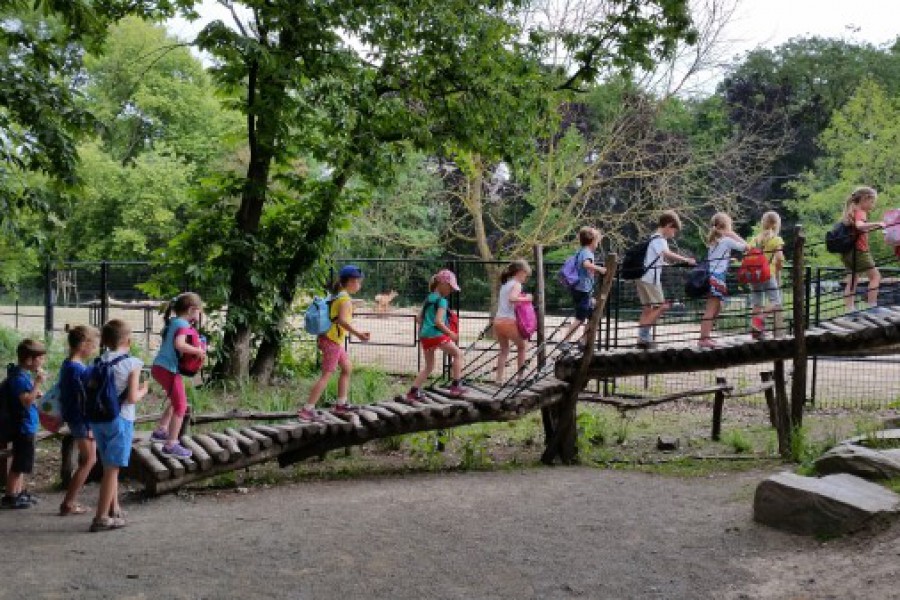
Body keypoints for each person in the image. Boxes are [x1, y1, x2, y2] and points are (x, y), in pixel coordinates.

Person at [89, 319, 147, 532]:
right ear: (128, 340)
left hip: (98, 420)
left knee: (108, 466)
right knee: (112, 470)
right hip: (120, 419)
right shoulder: (133, 363)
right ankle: (101, 517)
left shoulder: (97, 361)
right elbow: (131, 398)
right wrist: (144, 391)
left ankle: (114, 509)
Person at [298, 265, 370, 422]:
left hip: (329, 339)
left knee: (347, 368)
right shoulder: (344, 299)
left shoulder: (337, 296)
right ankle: (307, 410)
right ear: (351, 281)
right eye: (358, 281)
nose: (359, 285)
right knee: (326, 375)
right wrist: (358, 334)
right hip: (332, 341)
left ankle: (341, 404)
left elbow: (336, 317)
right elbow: (342, 321)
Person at [150, 292, 206, 457]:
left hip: (160, 367)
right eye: (198, 311)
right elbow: (179, 344)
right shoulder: (182, 324)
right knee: (181, 405)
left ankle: (161, 430)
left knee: (176, 401)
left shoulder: (174, 322)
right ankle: (171, 445)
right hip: (168, 369)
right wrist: (198, 350)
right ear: (191, 310)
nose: (199, 315)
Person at [636, 210, 696, 349]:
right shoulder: (659, 239)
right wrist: (686, 259)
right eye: (674, 230)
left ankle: (642, 338)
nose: (673, 234)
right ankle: (643, 336)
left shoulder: (652, 238)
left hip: (642, 277)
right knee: (662, 306)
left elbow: (657, 258)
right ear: (668, 225)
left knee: (647, 309)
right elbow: (666, 253)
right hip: (650, 278)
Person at [405, 269, 465, 403]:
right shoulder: (442, 301)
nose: (450, 291)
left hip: (425, 336)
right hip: (436, 335)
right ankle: (456, 386)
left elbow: (419, 318)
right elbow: (438, 322)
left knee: (429, 366)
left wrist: (426, 327)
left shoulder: (428, 298)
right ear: (442, 284)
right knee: (458, 354)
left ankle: (413, 392)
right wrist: (450, 334)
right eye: (450, 287)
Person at [58, 325, 100, 516]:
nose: (94, 349)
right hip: (81, 420)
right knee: (89, 460)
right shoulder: (78, 370)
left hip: (75, 418)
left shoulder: (68, 364)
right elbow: (83, 400)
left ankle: (70, 501)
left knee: (89, 459)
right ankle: (69, 502)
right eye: (93, 345)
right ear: (83, 344)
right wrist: (89, 425)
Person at [0, 339, 46, 509]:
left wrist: (35, 391)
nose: (42, 362)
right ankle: (10, 495)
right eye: (40, 358)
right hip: (22, 426)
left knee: (23, 461)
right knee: (20, 462)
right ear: (29, 359)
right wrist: (38, 383)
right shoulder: (19, 378)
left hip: (26, 424)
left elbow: (27, 396)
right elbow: (26, 401)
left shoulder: (21, 375)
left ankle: (18, 492)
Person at [698, 213, 747, 348]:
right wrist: (732, 234)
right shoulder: (726, 240)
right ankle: (703, 339)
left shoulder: (714, 241)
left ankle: (706, 335)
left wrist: (727, 259)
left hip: (712, 276)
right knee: (711, 308)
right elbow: (746, 247)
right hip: (717, 278)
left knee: (717, 307)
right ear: (726, 226)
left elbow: (717, 257)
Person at [560, 227, 607, 348]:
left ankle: (584, 340)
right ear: (592, 241)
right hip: (583, 289)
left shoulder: (581, 251)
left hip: (580, 288)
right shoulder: (587, 252)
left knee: (592, 315)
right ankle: (565, 341)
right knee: (580, 317)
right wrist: (600, 269)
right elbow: (586, 264)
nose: (598, 244)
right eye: (597, 241)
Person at [841, 186, 884, 313]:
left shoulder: (851, 211)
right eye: (872, 202)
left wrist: (872, 228)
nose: (873, 205)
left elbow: (858, 229)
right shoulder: (860, 212)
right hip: (859, 251)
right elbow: (860, 226)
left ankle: (850, 309)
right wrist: (878, 223)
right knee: (875, 277)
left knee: (853, 279)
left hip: (848, 252)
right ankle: (872, 306)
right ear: (865, 199)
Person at [493, 260, 533, 383]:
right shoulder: (516, 284)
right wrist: (526, 298)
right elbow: (512, 299)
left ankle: (498, 379)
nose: (526, 277)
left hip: (498, 321)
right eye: (526, 274)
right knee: (522, 347)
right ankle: (520, 377)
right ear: (520, 272)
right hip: (509, 321)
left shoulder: (505, 284)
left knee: (504, 350)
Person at [748, 211, 785, 340]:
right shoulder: (776, 239)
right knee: (776, 301)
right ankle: (759, 320)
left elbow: (749, 253)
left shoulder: (755, 239)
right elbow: (780, 258)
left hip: (754, 274)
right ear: (776, 225)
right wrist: (778, 268)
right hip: (768, 273)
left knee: (757, 302)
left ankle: (756, 331)